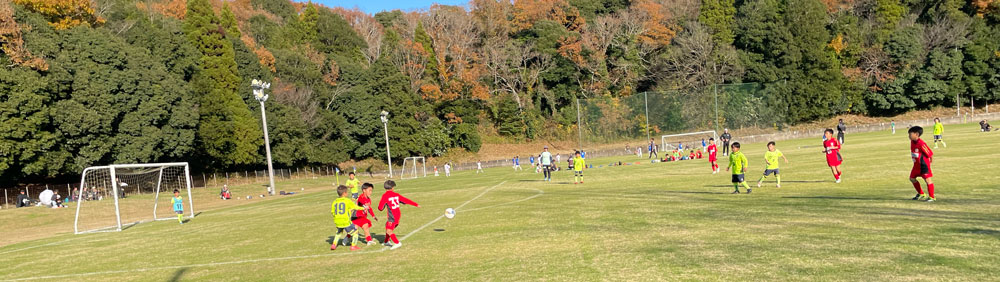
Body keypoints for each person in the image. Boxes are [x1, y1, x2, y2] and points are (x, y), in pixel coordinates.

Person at [378, 180, 419, 250]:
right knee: (387, 226)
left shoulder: (385, 196)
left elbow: (380, 208)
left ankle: (397, 243)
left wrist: (382, 207)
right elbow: (405, 200)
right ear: (392, 188)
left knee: (389, 230)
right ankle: (386, 241)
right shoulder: (396, 195)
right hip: (397, 215)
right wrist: (415, 204)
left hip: (392, 216)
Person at [331, 185, 364, 251]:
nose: (348, 193)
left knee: (339, 233)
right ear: (344, 193)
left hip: (337, 221)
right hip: (345, 221)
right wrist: (363, 208)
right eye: (347, 192)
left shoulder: (334, 202)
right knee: (355, 232)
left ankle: (334, 244)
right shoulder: (347, 201)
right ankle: (353, 246)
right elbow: (355, 207)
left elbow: (332, 212)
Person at [907, 126, 936, 202]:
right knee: (912, 178)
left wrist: (929, 163)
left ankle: (932, 197)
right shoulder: (912, 141)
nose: (909, 136)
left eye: (910, 134)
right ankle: (921, 193)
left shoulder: (921, 143)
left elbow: (929, 153)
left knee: (927, 180)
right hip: (916, 166)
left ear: (916, 134)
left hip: (923, 165)